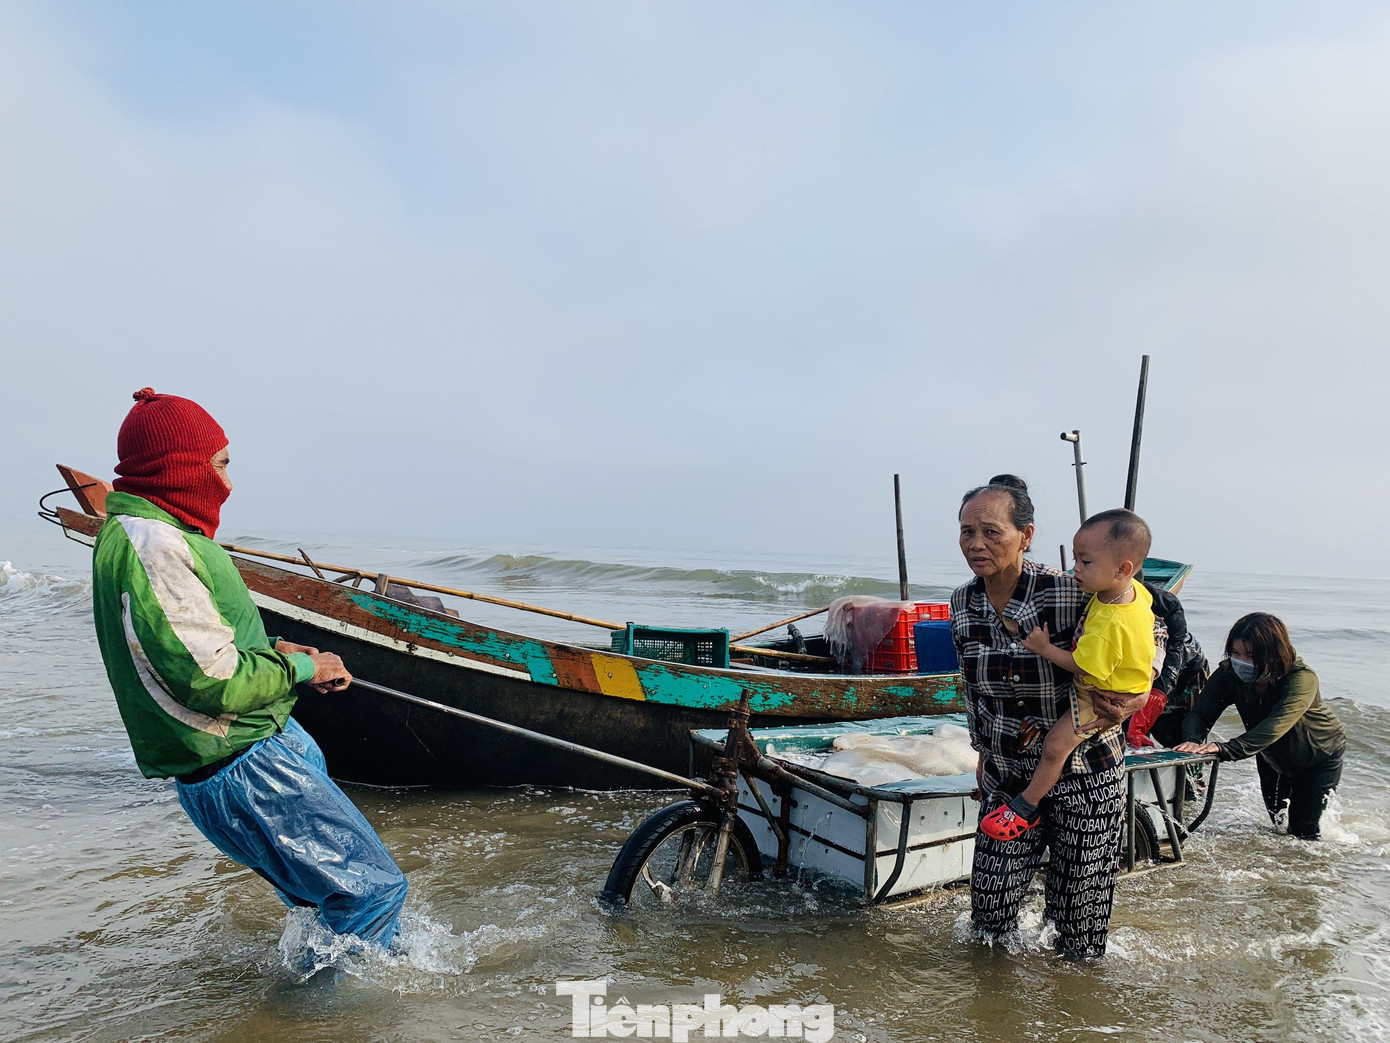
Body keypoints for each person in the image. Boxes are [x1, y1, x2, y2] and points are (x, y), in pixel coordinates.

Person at [90, 388, 408, 949]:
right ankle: (339, 1025)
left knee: (327, 908)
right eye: (220, 465)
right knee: (369, 895)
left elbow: (203, 646)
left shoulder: (147, 536)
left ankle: (318, 1010)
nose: (228, 484)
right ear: (179, 467)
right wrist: (302, 672)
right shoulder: (156, 545)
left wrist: (286, 653)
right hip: (248, 766)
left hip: (248, 757)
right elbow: (210, 679)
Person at [951, 476, 1153, 960]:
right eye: (966, 531)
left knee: (1078, 923)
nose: (976, 544)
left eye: (991, 531)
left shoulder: (1068, 590)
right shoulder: (963, 603)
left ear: (1027, 535)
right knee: (991, 911)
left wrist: (1136, 691)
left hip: (1086, 772)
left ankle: (1073, 1016)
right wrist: (981, 751)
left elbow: (1148, 621)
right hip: (1006, 774)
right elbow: (971, 687)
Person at [979, 508, 1155, 841]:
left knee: (1056, 746)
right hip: (1124, 679)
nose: (1075, 570)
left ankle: (1026, 806)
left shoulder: (1107, 624)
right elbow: (1147, 621)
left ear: (1123, 568)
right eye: (1075, 560)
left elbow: (1083, 665)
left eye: (1085, 563)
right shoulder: (1128, 592)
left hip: (1098, 693)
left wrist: (1044, 648)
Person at [1175, 613, 1346, 840]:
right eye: (1236, 653)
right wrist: (1192, 741)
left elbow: (1276, 725)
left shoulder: (1301, 678)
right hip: (1271, 756)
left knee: (1302, 834)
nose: (1241, 662)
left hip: (1318, 756)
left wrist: (1226, 749)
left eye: (1251, 655)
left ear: (1274, 654)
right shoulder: (1229, 674)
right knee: (1277, 825)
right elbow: (1201, 713)